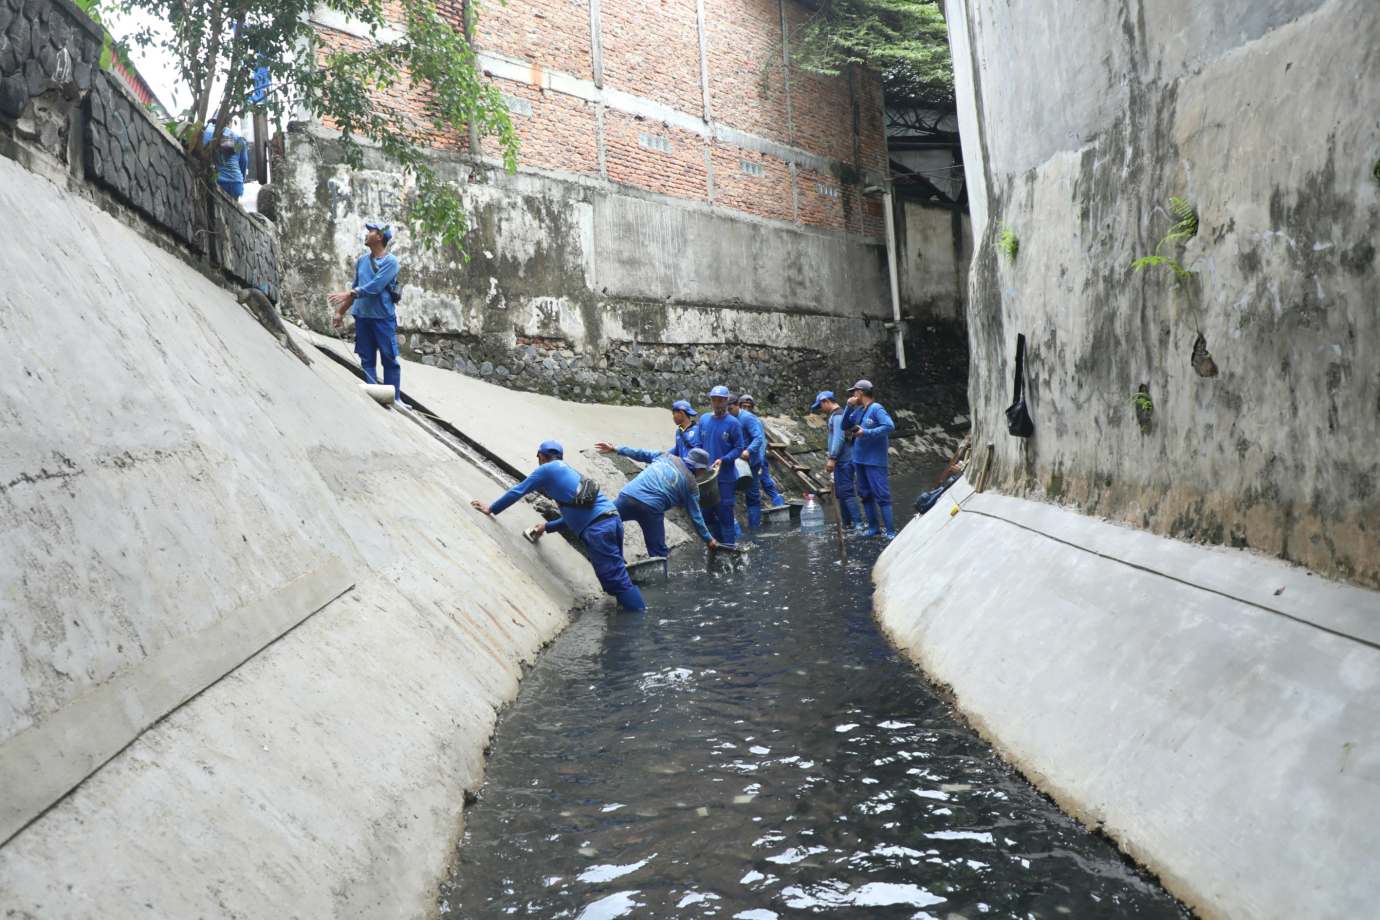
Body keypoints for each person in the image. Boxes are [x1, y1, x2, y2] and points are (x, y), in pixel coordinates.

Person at [471, 441, 645, 610]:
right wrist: (546, 527)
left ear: (541, 456)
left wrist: (491, 509)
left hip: (598, 528)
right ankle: (631, 614)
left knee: (617, 582)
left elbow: (518, 490)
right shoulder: (569, 471)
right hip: (612, 520)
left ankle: (639, 623)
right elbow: (577, 516)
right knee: (619, 578)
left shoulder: (546, 469)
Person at [594, 442, 720, 557]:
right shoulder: (692, 486)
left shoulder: (664, 456)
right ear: (700, 468)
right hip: (651, 510)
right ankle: (658, 579)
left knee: (604, 521)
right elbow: (696, 516)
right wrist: (708, 539)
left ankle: (598, 549)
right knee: (658, 552)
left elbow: (640, 452)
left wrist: (614, 448)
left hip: (628, 496)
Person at [329, 222, 404, 406]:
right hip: (362, 317)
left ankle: (395, 398)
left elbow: (375, 287)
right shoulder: (362, 260)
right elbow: (356, 287)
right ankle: (373, 395)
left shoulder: (390, 262)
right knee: (367, 358)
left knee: (389, 358)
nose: (366, 234)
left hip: (383, 318)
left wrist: (348, 293)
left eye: (370, 231)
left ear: (380, 237)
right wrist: (340, 312)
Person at [840, 380, 898, 539]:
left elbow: (889, 426)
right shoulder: (859, 410)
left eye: (854, 392)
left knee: (881, 493)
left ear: (860, 393)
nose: (852, 395)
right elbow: (844, 425)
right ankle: (874, 528)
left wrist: (866, 433)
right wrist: (848, 407)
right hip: (859, 459)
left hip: (874, 460)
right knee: (865, 493)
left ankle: (891, 531)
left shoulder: (876, 408)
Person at [696, 385, 746, 547]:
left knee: (726, 514)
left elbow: (739, 448)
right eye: (714, 400)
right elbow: (698, 444)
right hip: (706, 477)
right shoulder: (703, 419)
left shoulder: (733, 423)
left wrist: (723, 459)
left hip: (725, 477)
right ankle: (719, 545)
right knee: (706, 513)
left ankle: (730, 549)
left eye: (720, 400)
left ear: (726, 401)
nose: (717, 403)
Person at [812, 390, 865, 533]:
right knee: (841, 492)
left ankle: (859, 524)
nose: (821, 410)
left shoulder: (837, 416)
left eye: (821, 406)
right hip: (845, 459)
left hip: (844, 459)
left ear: (827, 401)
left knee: (846, 491)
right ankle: (847, 523)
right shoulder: (840, 414)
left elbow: (838, 438)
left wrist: (832, 458)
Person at [729, 394, 784, 526]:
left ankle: (779, 507)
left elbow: (760, 441)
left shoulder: (750, 419)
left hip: (753, 460)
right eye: (745, 406)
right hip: (736, 461)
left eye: (749, 407)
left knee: (763, 486)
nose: (747, 409)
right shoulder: (728, 419)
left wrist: (759, 461)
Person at [202, 122, 249, 199]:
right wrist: (240, 182)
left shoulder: (204, 133)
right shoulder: (239, 138)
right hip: (236, 185)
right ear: (228, 122)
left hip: (214, 182)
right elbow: (244, 161)